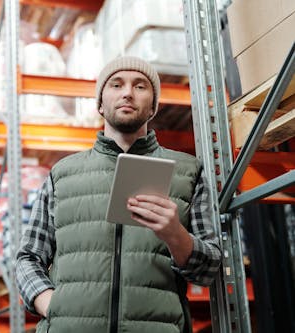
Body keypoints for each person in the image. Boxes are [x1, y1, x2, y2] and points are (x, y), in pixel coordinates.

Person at [15, 56, 222, 333]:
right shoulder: (62, 174)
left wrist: (176, 235)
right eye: (116, 84)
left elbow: (208, 270)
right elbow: (29, 257)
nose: (127, 92)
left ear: (153, 106)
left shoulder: (188, 172)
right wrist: (50, 304)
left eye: (140, 86)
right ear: (100, 103)